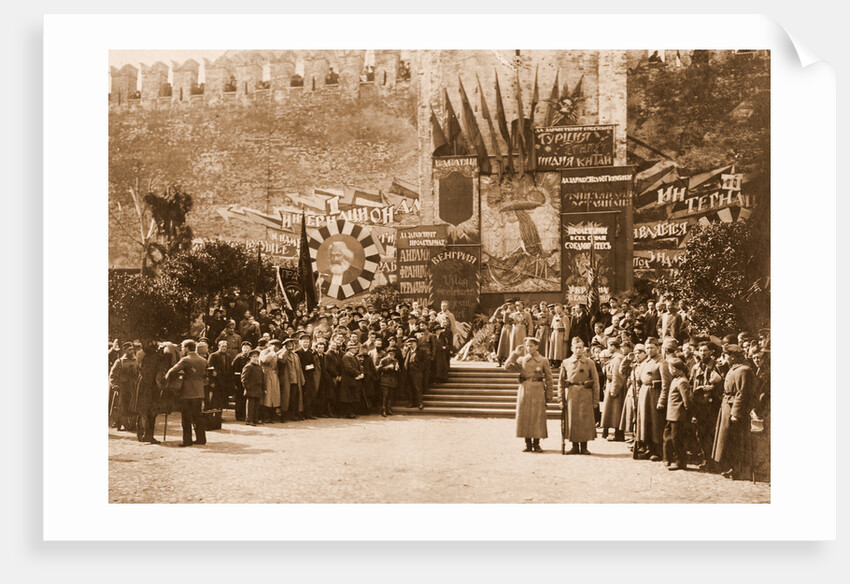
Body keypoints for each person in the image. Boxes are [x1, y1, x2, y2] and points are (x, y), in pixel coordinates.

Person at [711, 344, 757, 479]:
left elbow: (742, 393)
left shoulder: (743, 370)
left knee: (736, 440)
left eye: (725, 355)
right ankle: (732, 467)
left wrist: (735, 413)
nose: (722, 358)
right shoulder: (734, 368)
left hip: (733, 408)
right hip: (726, 406)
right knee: (728, 440)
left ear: (732, 356)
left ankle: (740, 469)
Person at [505, 336, 554, 453]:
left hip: (538, 389)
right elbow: (507, 367)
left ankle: (537, 444)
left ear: (537, 347)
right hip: (525, 388)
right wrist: (515, 354)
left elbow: (549, 378)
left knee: (537, 416)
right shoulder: (522, 360)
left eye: (531, 346)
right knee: (525, 416)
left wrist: (549, 395)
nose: (528, 348)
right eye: (527, 346)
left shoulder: (543, 360)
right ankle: (527, 444)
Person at [558, 337, 599, 454]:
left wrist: (595, 400)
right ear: (571, 349)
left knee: (584, 420)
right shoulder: (565, 363)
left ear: (584, 349)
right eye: (576, 348)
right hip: (571, 394)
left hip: (586, 393)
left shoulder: (590, 363)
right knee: (573, 420)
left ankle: (584, 447)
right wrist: (560, 399)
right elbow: (561, 382)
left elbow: (596, 382)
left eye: (580, 348)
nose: (578, 350)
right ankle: (574, 446)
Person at [165, 339, 207, 447]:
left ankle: (187, 440)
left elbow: (171, 371)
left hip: (187, 392)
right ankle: (201, 439)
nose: (182, 349)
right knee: (198, 416)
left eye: (183, 347)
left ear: (187, 348)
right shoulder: (203, 360)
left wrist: (168, 381)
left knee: (186, 418)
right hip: (199, 391)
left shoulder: (186, 360)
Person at [689, 342, 723, 470]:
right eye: (700, 351)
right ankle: (706, 459)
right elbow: (692, 384)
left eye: (705, 351)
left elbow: (724, 385)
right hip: (699, 405)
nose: (702, 353)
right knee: (701, 433)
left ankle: (714, 461)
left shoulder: (717, 366)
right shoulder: (696, 367)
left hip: (713, 404)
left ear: (711, 352)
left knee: (712, 432)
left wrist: (713, 387)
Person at [635, 337, 665, 461]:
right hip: (644, 394)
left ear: (658, 348)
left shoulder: (661, 362)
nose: (649, 350)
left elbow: (666, 383)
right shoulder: (646, 362)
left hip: (655, 394)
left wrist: (662, 400)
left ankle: (657, 451)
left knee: (655, 423)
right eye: (647, 348)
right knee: (645, 421)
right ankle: (648, 448)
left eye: (652, 347)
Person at [660, 358, 692, 470]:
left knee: (677, 440)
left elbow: (686, 400)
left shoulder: (682, 381)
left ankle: (680, 462)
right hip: (671, 415)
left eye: (670, 368)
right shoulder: (676, 380)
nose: (669, 370)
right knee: (668, 437)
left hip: (678, 415)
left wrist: (688, 414)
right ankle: (667, 459)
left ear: (676, 369)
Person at [600, 338, 626, 441]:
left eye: (609, 346)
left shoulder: (618, 358)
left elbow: (617, 375)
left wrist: (614, 390)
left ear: (613, 346)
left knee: (616, 411)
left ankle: (618, 434)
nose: (608, 348)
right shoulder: (615, 357)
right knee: (613, 411)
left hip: (615, 387)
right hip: (612, 385)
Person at [109, 341, 138, 432]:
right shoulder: (119, 362)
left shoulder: (136, 361)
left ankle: (132, 424)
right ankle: (122, 423)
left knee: (133, 406)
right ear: (124, 350)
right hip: (123, 387)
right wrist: (114, 385)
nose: (132, 351)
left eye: (132, 350)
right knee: (122, 406)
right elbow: (112, 375)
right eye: (129, 350)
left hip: (134, 387)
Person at [295, 332, 318, 419]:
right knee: (302, 395)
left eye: (307, 342)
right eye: (304, 342)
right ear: (300, 342)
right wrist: (305, 367)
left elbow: (313, 364)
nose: (306, 344)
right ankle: (301, 414)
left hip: (309, 376)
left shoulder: (310, 352)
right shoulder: (297, 352)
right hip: (301, 376)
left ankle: (309, 413)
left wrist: (311, 367)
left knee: (309, 395)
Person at [339, 340, 363, 418]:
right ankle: (349, 413)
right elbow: (348, 368)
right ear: (350, 349)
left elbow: (359, 366)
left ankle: (352, 413)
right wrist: (358, 373)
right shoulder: (346, 357)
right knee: (349, 397)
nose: (356, 349)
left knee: (352, 397)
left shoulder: (353, 356)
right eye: (354, 348)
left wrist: (361, 373)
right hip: (348, 380)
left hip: (353, 379)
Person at [260, 339, 282, 423]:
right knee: (267, 397)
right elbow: (264, 360)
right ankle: (265, 417)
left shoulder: (276, 353)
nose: (276, 348)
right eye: (274, 346)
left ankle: (272, 416)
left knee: (275, 396)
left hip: (274, 375)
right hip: (266, 374)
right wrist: (271, 352)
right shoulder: (264, 352)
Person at [230, 341, 253, 421]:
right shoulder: (238, 358)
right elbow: (233, 370)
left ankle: (246, 415)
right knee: (240, 399)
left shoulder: (251, 358)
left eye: (247, 348)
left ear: (250, 349)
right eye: (244, 348)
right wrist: (235, 382)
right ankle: (239, 415)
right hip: (239, 381)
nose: (246, 350)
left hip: (249, 381)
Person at [241, 349, 264, 425]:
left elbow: (262, 378)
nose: (255, 358)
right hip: (251, 389)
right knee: (250, 405)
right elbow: (244, 379)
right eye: (253, 357)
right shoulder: (248, 367)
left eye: (257, 357)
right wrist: (248, 387)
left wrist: (263, 388)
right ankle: (249, 420)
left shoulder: (259, 367)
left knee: (257, 405)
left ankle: (255, 419)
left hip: (258, 389)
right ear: (250, 358)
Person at [207, 340, 232, 411]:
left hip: (224, 382)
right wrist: (211, 381)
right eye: (222, 346)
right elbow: (209, 369)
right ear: (218, 346)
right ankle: (215, 416)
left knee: (222, 400)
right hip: (216, 381)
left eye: (225, 346)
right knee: (215, 400)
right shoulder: (213, 355)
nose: (224, 348)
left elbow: (229, 370)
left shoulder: (228, 356)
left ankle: (219, 414)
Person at [403, 336, 427, 409]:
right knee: (410, 388)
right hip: (409, 371)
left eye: (411, 344)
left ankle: (420, 403)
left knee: (418, 388)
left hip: (417, 372)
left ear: (415, 343)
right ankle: (412, 403)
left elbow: (425, 361)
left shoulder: (421, 351)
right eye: (409, 344)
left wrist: (420, 369)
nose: (410, 345)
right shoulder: (408, 351)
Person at [376, 347, 400, 416]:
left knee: (390, 396)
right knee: (384, 396)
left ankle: (388, 409)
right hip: (385, 381)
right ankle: (383, 410)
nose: (392, 355)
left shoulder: (396, 360)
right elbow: (379, 369)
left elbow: (398, 371)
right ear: (388, 354)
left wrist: (397, 369)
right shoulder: (383, 360)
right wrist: (388, 367)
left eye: (393, 354)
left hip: (392, 381)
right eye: (391, 354)